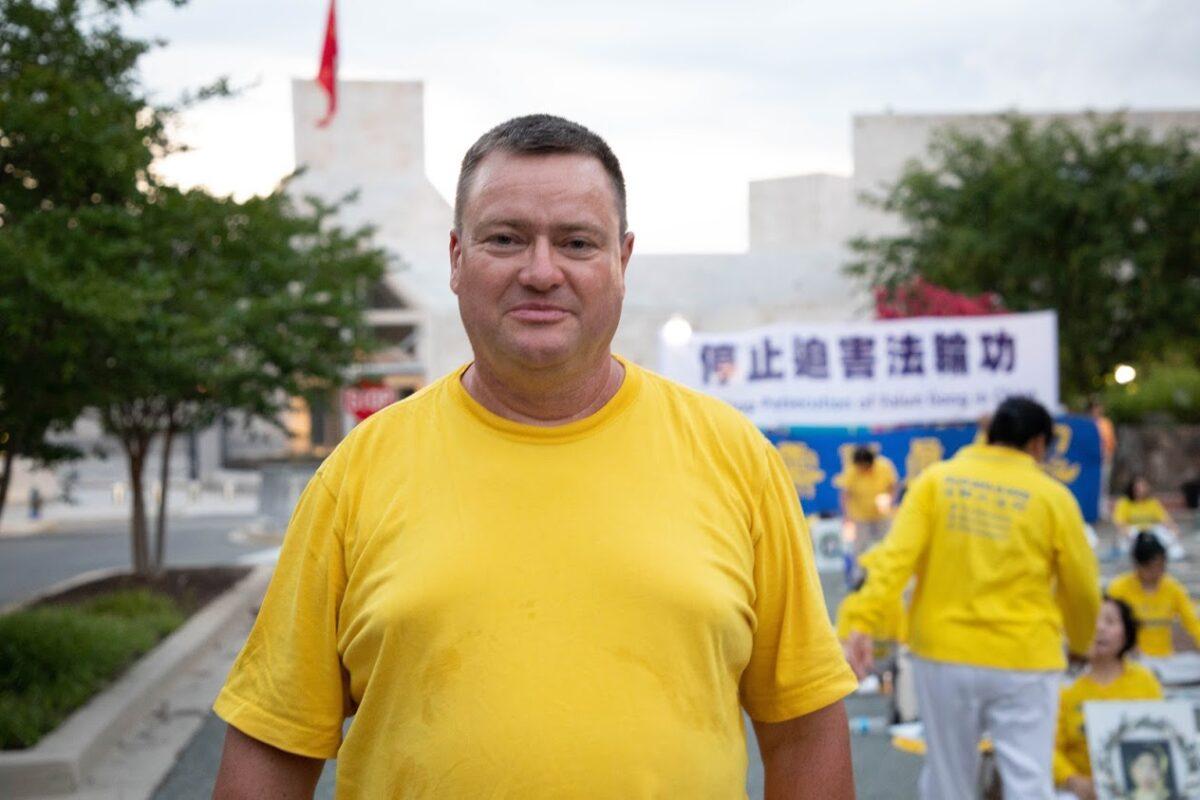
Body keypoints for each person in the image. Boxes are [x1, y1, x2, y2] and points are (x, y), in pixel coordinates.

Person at [211, 114, 857, 799]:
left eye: (577, 242)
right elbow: (274, 743)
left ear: (622, 261)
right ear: (457, 258)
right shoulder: (357, 473)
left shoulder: (735, 458)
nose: (541, 271)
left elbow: (803, 727)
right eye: (506, 239)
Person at [842, 397, 1101, 800]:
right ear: (1036, 444)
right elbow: (1082, 586)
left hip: (944, 653)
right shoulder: (1053, 498)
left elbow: (894, 560)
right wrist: (1083, 642)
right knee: (1029, 782)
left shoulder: (936, 481)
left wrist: (858, 622)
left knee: (948, 781)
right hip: (1025, 656)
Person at [1054, 597, 1163, 800]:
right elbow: (1051, 749)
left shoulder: (1145, 681)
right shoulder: (1065, 690)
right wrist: (1072, 779)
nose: (1099, 629)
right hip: (1083, 792)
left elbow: (1162, 735)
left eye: (1110, 621)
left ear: (1126, 634)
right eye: (1091, 621)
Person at [1107, 532, 1200, 658]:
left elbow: (1193, 621)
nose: (1157, 572)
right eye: (1151, 568)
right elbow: (1109, 625)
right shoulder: (1119, 589)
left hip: (1164, 658)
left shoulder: (1173, 588)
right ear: (1137, 565)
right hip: (1131, 661)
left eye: (1161, 566)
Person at [837, 445, 898, 574]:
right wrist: (846, 516)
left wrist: (890, 501)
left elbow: (893, 486)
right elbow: (844, 494)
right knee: (859, 548)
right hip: (860, 515)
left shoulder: (885, 466)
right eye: (859, 467)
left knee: (887, 544)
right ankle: (859, 576)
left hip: (882, 514)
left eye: (863, 467)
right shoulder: (851, 471)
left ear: (871, 464)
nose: (861, 470)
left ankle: (886, 572)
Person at [1113, 475, 1179, 544]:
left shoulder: (1152, 502)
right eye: (1139, 488)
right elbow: (1120, 523)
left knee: (1168, 539)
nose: (1142, 490)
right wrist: (1127, 534)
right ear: (1132, 489)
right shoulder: (1124, 502)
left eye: (1144, 487)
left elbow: (1164, 519)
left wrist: (1173, 529)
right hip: (1133, 532)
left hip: (1151, 530)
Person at [1089, 398, 1116, 520]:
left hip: (1104, 457)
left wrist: (1109, 454)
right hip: (1090, 459)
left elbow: (1111, 441)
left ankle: (1103, 510)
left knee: (1104, 484)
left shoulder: (1106, 423)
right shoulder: (1088, 423)